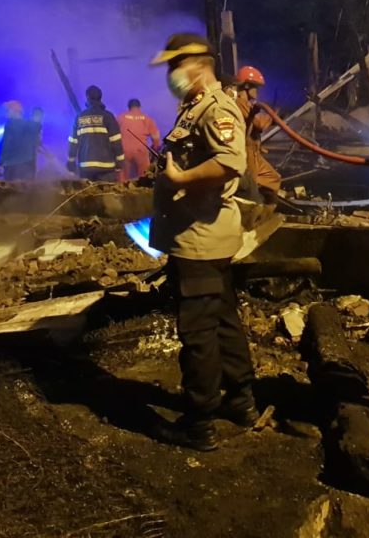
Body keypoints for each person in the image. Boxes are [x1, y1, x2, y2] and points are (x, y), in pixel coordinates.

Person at [148, 33, 258, 452]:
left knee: (198, 333)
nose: (170, 74)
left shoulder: (216, 108)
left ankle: (199, 422)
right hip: (200, 236)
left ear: (197, 64)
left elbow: (229, 163)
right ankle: (242, 401)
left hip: (200, 239)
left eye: (174, 65)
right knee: (223, 319)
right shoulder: (194, 107)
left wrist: (180, 178)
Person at [234, 65, 282, 203]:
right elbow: (260, 124)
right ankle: (252, 209)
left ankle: (265, 205)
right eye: (256, 87)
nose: (257, 91)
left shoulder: (247, 104)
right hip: (246, 152)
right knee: (251, 185)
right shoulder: (239, 102)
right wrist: (274, 115)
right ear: (247, 86)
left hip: (254, 151)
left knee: (272, 178)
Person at [67, 86, 124, 181]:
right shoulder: (108, 116)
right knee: (107, 190)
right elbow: (116, 141)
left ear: (87, 97)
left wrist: (71, 162)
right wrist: (120, 162)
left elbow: (73, 142)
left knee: (88, 191)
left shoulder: (79, 117)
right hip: (107, 168)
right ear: (100, 98)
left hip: (85, 168)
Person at [117, 99, 161, 182]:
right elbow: (156, 137)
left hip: (124, 150)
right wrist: (155, 148)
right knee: (144, 177)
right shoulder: (147, 119)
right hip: (141, 150)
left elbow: (113, 133)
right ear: (140, 107)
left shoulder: (120, 117)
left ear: (129, 107)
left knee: (123, 178)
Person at [0, 101, 42, 181]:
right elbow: (36, 146)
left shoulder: (10, 125)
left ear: (13, 111)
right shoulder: (31, 126)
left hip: (12, 166)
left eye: (7, 110)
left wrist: (1, 163)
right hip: (28, 166)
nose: (6, 113)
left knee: (11, 188)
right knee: (25, 188)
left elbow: (6, 145)